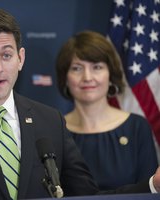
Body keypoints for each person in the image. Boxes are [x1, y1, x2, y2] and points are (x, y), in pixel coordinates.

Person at [0, 8, 160, 200]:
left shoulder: (51, 121)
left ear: (20, 59)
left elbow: (88, 197)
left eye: (6, 55)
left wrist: (152, 185)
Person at [55, 30, 159, 190]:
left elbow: (149, 192)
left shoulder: (137, 128)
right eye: (77, 68)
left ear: (110, 76)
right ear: (65, 78)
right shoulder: (53, 131)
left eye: (97, 67)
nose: (87, 77)